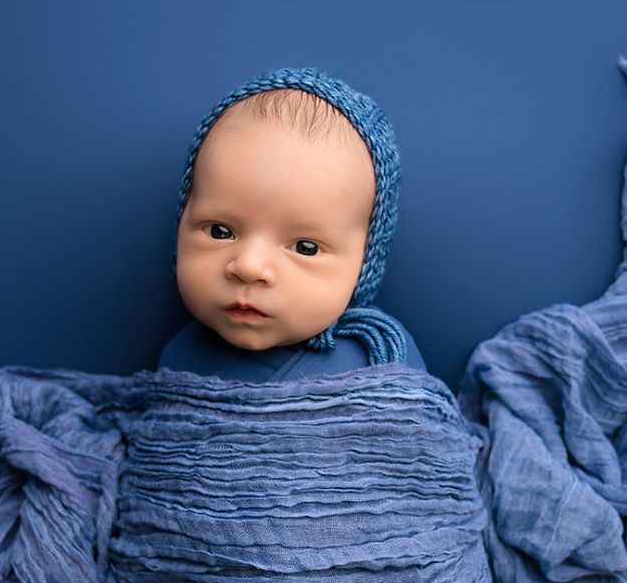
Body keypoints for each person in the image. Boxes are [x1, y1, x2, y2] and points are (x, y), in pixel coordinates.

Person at [156, 68, 427, 381]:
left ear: (366, 262)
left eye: (305, 247)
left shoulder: (378, 363)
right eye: (220, 231)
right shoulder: (179, 358)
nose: (249, 267)